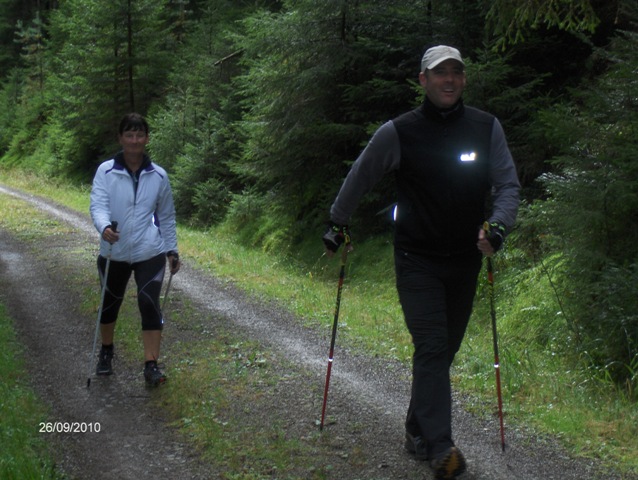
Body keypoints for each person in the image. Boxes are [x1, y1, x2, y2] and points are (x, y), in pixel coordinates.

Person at [323, 45, 520, 479]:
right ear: (423, 80)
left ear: (463, 79)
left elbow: (507, 185)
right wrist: (337, 222)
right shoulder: (399, 132)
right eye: (440, 73)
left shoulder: (485, 127)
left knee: (444, 350)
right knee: (431, 345)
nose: (449, 80)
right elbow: (361, 175)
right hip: (417, 259)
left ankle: (416, 428)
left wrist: (499, 226)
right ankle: (441, 447)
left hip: (464, 260)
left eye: (456, 72)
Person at [90, 112, 180, 387]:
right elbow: (98, 205)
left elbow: (166, 216)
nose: (134, 140)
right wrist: (105, 227)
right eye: (129, 135)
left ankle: (151, 365)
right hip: (113, 251)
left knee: (149, 303)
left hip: (149, 251)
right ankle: (106, 350)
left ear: (147, 139)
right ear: (120, 138)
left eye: (140, 135)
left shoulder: (159, 175)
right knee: (110, 303)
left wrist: (171, 250)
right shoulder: (106, 171)